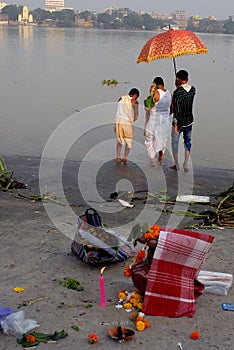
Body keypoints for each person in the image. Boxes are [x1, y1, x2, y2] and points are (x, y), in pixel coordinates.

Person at [170, 70, 196, 172]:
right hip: (189, 120)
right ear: (187, 78)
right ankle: (185, 163)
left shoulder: (177, 93)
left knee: (175, 143)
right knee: (187, 142)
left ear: (178, 79)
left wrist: (175, 123)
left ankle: (176, 164)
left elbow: (176, 109)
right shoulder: (193, 90)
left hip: (179, 122)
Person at [144, 77, 172, 166]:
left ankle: (152, 159)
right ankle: (160, 159)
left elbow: (147, 107)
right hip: (164, 121)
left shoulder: (155, 93)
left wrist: (150, 92)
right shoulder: (170, 93)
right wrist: (166, 116)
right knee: (162, 141)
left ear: (155, 84)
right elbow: (172, 108)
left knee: (149, 139)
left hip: (153, 119)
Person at [114, 88, 140, 165]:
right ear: (135, 95)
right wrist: (131, 121)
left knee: (119, 141)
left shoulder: (120, 99)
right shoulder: (134, 101)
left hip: (118, 121)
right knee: (128, 141)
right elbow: (136, 116)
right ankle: (125, 158)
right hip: (126, 123)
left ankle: (118, 157)